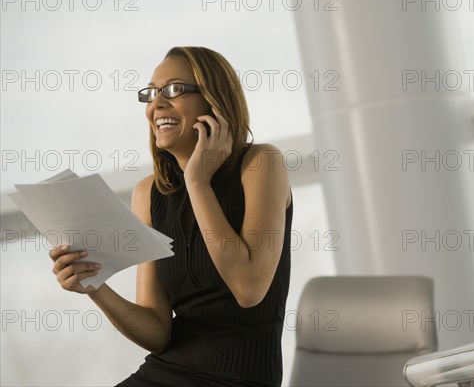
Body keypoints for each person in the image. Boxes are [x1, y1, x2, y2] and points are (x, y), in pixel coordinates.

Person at [48, 46, 293, 387]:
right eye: (151, 94)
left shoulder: (260, 164)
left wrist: (197, 181)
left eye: (174, 90)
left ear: (214, 102)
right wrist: (94, 285)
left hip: (236, 378)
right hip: (166, 371)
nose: (157, 104)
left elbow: (249, 289)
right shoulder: (148, 193)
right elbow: (158, 332)